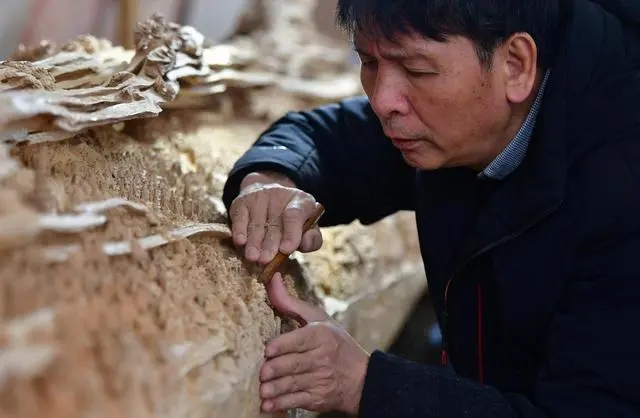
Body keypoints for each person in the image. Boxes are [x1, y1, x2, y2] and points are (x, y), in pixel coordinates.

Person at [222, 0, 640, 416]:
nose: (383, 102)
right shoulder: (457, 121)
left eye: (417, 71)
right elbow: (326, 139)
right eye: (368, 61)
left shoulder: (622, 186)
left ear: (515, 64)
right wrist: (271, 178)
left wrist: (367, 385)